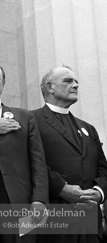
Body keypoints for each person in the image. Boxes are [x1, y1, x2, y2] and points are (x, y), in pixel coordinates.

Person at [0, 60, 48, 243]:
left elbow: (38, 161)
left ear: (3, 83)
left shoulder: (24, 116)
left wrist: (39, 200)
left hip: (19, 199)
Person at [32, 66, 107, 243]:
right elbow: (31, 162)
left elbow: (103, 169)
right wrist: (61, 188)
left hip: (90, 223)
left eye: (76, 82)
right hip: (53, 220)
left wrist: (98, 192)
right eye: (68, 81)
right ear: (50, 87)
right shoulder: (31, 120)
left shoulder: (88, 129)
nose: (75, 85)